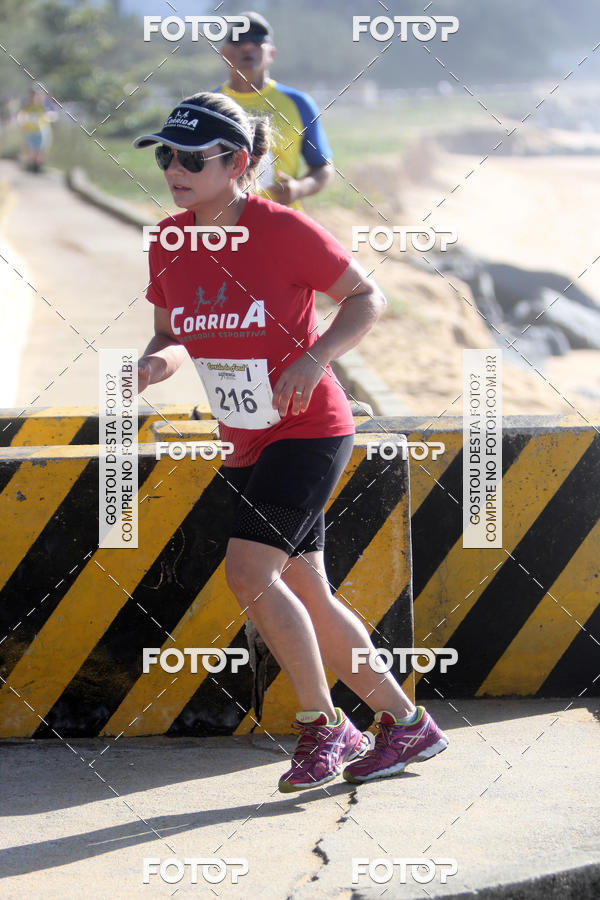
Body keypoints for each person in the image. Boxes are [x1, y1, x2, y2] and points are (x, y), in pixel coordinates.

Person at [133, 91, 448, 791]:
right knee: (307, 589)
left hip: (308, 427)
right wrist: (158, 363)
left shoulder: (282, 229)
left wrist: (316, 358)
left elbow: (368, 298)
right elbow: (171, 332)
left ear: (237, 162)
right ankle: (405, 726)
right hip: (243, 438)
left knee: (249, 573)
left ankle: (323, 725)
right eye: (165, 155)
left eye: (190, 157)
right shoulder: (167, 240)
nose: (173, 169)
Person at [217, 11, 334, 208]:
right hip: (225, 230)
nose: (247, 46)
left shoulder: (299, 103)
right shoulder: (207, 105)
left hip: (282, 226)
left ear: (271, 52)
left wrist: (298, 188)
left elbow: (323, 166)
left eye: (257, 40)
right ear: (224, 53)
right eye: (238, 40)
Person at [17, 89, 56, 172]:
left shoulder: (44, 105)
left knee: (40, 151)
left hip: (41, 132)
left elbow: (52, 114)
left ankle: (38, 167)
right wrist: (21, 122)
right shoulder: (27, 106)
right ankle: (32, 166)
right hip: (30, 131)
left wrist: (50, 117)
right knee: (31, 151)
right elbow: (21, 115)